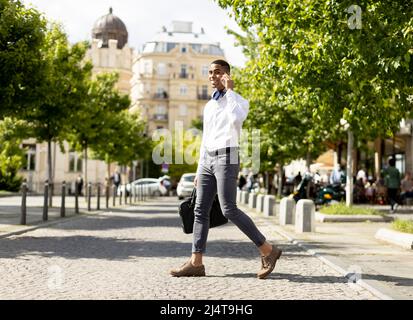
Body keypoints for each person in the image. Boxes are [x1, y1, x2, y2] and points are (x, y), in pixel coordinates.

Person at [170, 60, 282, 279]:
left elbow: (236, 119)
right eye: (210, 72)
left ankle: (268, 250)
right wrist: (199, 167)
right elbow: (206, 137)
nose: (212, 76)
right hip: (207, 160)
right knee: (199, 210)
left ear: (227, 75)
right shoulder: (209, 105)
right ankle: (196, 263)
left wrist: (230, 91)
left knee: (228, 209)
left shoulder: (238, 101)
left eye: (217, 72)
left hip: (227, 156)